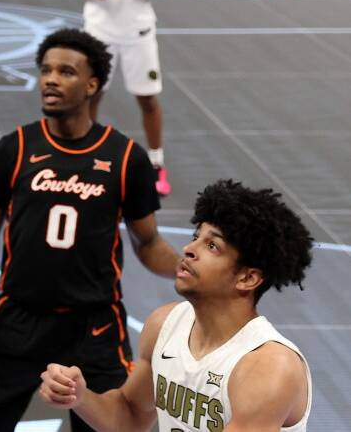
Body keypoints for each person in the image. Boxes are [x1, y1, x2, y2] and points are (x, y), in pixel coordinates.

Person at [0, 28, 179, 432]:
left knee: (109, 424)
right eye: (46, 70)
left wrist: (187, 270)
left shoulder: (125, 158)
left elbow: (148, 242)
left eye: (66, 72)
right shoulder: (14, 149)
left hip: (93, 327)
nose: (51, 79)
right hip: (18, 320)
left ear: (92, 85)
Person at [40, 180, 314, 432]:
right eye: (196, 236)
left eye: (212, 246)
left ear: (248, 278)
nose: (189, 249)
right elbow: (130, 416)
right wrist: (79, 396)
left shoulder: (268, 367)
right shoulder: (165, 324)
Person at [75, 0, 172, 196]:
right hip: (99, 27)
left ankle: (156, 163)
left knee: (147, 97)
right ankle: (83, 158)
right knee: (91, 95)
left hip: (137, 26)